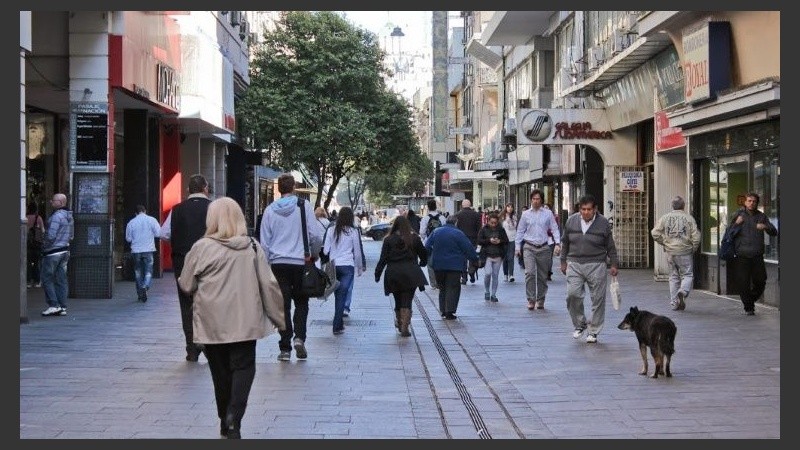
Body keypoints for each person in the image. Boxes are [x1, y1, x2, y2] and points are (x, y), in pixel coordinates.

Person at [178, 197, 285, 439]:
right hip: (245, 322)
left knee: (220, 373)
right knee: (244, 368)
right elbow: (269, 285)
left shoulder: (201, 247)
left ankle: (224, 419)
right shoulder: (252, 247)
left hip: (212, 323)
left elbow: (186, 284)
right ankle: (234, 418)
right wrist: (279, 319)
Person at [260, 173, 324, 361]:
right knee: (302, 303)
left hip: (278, 264)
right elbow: (316, 236)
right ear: (294, 188)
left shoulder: (270, 210)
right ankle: (300, 338)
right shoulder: (304, 207)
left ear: (279, 189)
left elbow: (264, 242)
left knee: (283, 306)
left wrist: (268, 262)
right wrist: (314, 254)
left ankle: (285, 347)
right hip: (301, 263)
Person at [160, 174, 212, 361]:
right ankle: (207, 342)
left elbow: (164, 234)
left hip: (182, 262)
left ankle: (192, 347)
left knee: (186, 304)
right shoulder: (213, 208)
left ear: (188, 190)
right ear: (206, 188)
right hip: (209, 262)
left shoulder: (177, 210)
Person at [560, 194, 619, 344]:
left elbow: (610, 246)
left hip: (596, 264)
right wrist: (563, 261)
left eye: (589, 209)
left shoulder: (603, 223)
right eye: (583, 209)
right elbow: (565, 242)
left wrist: (613, 264)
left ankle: (593, 331)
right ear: (579, 209)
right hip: (575, 263)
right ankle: (579, 324)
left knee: (597, 298)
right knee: (572, 294)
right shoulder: (571, 221)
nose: (586, 212)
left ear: (595, 210)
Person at [374, 215, 428, 336]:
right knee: (407, 299)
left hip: (394, 273)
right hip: (411, 273)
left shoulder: (388, 240)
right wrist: (423, 262)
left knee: (397, 299)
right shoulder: (414, 238)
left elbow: (383, 259)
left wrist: (377, 273)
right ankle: (405, 325)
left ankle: (399, 320)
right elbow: (423, 253)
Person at [729, 192, 778, 316]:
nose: (751, 203)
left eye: (754, 201)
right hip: (742, 255)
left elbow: (774, 231)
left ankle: (750, 300)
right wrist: (736, 224)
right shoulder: (738, 215)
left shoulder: (761, 216)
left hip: (757, 255)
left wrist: (765, 227)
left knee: (761, 281)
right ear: (745, 202)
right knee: (743, 283)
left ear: (757, 203)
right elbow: (729, 234)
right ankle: (749, 307)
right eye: (749, 201)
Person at [651, 195, 701, 311]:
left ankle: (674, 302)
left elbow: (655, 233)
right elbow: (696, 236)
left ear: (672, 206)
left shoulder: (665, 218)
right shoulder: (689, 218)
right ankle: (683, 291)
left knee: (673, 276)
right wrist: (694, 247)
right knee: (687, 274)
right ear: (684, 206)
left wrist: (664, 242)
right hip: (685, 251)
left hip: (670, 252)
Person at [425, 215, 479, 320]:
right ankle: (450, 310)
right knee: (453, 287)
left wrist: (430, 257)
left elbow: (427, 246)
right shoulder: (458, 233)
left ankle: (443, 310)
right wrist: (475, 260)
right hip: (454, 266)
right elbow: (468, 248)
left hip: (438, 265)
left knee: (442, 287)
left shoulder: (436, 232)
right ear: (456, 223)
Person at [515, 190, 562, 310]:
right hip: (529, 247)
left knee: (542, 275)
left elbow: (555, 228)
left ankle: (541, 299)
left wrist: (557, 243)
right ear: (531, 200)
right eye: (533, 199)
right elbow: (520, 231)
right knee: (530, 273)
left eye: (538, 199)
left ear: (541, 200)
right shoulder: (525, 214)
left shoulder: (548, 213)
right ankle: (531, 299)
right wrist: (517, 247)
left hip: (544, 247)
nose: (535, 201)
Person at [322, 206, 365, 335]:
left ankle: (339, 324)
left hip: (334, 266)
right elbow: (357, 252)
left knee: (338, 295)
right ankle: (337, 325)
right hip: (347, 266)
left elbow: (325, 251)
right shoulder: (353, 232)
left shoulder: (331, 230)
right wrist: (359, 267)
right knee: (342, 295)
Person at [40, 193, 74, 317]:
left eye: (53, 200)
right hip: (65, 250)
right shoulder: (69, 216)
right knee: (61, 279)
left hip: (53, 252)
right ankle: (62, 306)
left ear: (60, 202)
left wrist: (44, 244)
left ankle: (53, 305)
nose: (51, 202)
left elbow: (51, 236)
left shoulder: (56, 216)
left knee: (46, 278)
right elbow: (71, 235)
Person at [125, 205, 161, 302]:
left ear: (135, 213)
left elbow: (128, 239)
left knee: (138, 272)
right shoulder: (152, 220)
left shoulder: (131, 222)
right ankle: (145, 286)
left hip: (136, 250)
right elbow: (158, 233)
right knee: (148, 271)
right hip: (148, 249)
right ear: (145, 211)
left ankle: (140, 293)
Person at [477, 212, 509, 302]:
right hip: (487, 254)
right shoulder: (484, 229)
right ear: (488, 221)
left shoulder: (501, 230)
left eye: (495, 223)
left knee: (495, 275)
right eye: (492, 222)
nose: (493, 224)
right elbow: (479, 240)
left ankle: (493, 294)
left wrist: (500, 241)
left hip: (498, 254)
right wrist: (489, 240)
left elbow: (506, 240)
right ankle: (487, 291)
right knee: (488, 273)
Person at [453, 199, 482, 284]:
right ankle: (472, 271)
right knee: (472, 257)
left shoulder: (457, 215)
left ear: (462, 205)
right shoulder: (476, 215)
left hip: (461, 240)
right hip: (473, 239)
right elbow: (479, 229)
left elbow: (456, 229)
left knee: (463, 259)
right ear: (470, 205)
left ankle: (464, 277)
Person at [419, 199, 443, 289]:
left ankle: (433, 283)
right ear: (436, 206)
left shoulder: (425, 218)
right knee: (440, 262)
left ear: (428, 207)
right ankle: (440, 281)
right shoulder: (442, 218)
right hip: (440, 244)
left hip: (429, 244)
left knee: (430, 264)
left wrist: (426, 239)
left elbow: (422, 232)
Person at [26, 202, 45, 288]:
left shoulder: (26, 218)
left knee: (28, 263)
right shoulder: (39, 218)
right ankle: (37, 281)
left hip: (28, 243)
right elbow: (43, 230)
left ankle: (28, 281)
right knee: (37, 263)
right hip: (37, 243)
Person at [500, 202, 517, 283]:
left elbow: (513, 227)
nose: (510, 208)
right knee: (505, 258)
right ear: (505, 208)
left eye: (511, 207)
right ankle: (505, 274)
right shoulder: (502, 217)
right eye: (508, 207)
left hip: (512, 239)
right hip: (503, 240)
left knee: (511, 257)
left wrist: (509, 219)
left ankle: (511, 275)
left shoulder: (514, 217)